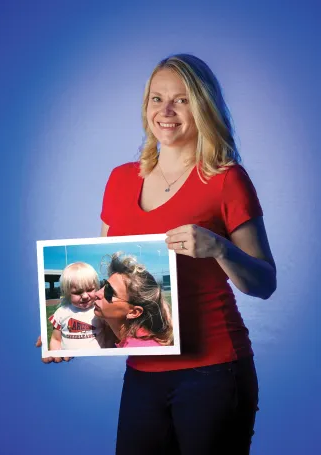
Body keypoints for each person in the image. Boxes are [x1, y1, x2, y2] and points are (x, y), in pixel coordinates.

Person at [99, 54, 277, 454]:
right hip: (142, 371)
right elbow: (105, 276)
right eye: (156, 98)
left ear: (202, 107)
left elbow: (265, 283)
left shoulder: (226, 179)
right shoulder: (120, 179)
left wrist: (219, 248)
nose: (166, 111)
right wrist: (67, 329)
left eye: (180, 100)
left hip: (214, 371)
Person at [94, 253, 173, 348]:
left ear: (134, 312)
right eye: (103, 285)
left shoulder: (138, 348)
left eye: (110, 292)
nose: (97, 293)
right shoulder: (114, 337)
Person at [47, 262, 114, 355]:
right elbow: (56, 339)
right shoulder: (61, 313)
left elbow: (109, 337)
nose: (85, 296)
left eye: (90, 290)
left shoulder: (99, 311)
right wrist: (54, 356)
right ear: (67, 293)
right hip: (68, 363)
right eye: (78, 292)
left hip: (96, 361)